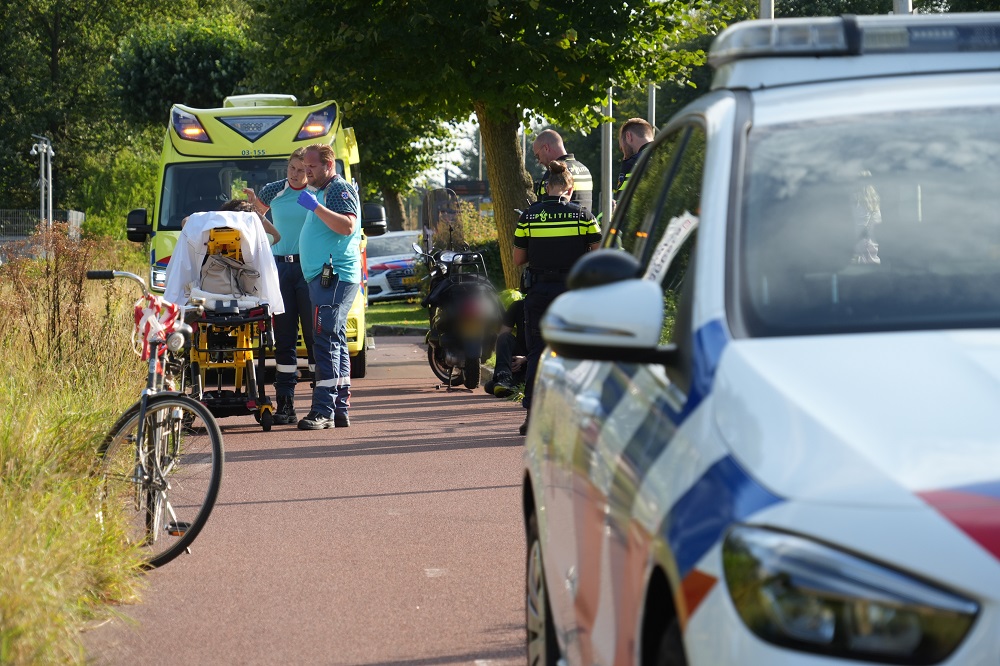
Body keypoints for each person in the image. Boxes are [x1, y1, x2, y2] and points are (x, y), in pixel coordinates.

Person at [514, 161, 602, 435]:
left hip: (539, 293)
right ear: (569, 187)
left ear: (545, 187)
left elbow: (519, 259)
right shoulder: (583, 216)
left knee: (537, 352)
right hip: (571, 295)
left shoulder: (528, 216)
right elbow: (597, 256)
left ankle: (532, 416)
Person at [294, 144, 362, 430]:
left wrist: (317, 207)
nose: (306, 171)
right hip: (325, 279)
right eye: (305, 166)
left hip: (333, 278)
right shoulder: (322, 190)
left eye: (312, 166)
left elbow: (347, 226)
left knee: (324, 340)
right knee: (335, 340)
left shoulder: (337, 189)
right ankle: (339, 408)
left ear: (329, 164)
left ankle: (323, 410)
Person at [243, 148, 312, 425]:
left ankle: (320, 404)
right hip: (279, 268)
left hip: (309, 269)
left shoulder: (318, 192)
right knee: (284, 338)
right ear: (287, 168)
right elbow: (254, 221)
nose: (297, 175)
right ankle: (286, 404)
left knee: (313, 337)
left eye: (303, 170)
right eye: (293, 169)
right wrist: (251, 207)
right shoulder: (273, 190)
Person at [532, 129, 594, 212]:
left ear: (546, 148)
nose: (539, 162)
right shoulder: (585, 171)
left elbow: (545, 211)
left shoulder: (553, 174)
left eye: (538, 156)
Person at [484, 297, 527, 399]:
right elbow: (502, 337)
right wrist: (508, 362)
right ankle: (504, 378)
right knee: (505, 337)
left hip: (537, 360)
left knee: (491, 386)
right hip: (518, 362)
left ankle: (513, 385)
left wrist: (525, 359)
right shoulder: (518, 305)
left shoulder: (549, 307)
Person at [616, 118, 654, 200]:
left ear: (628, 136)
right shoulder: (668, 154)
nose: (622, 150)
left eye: (621, 147)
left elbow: (622, 203)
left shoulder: (633, 163)